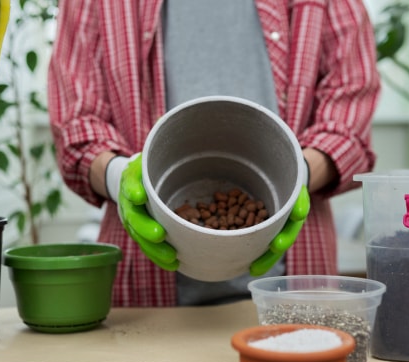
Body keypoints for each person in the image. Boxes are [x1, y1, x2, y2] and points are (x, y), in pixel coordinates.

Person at [48, 0, 380, 307]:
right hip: (146, 299)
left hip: (295, 289)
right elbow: (77, 123)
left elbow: (349, 115)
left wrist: (299, 175)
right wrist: (118, 174)